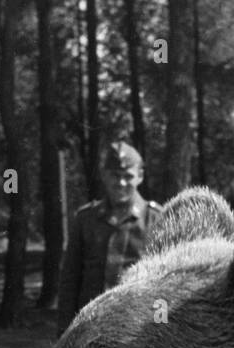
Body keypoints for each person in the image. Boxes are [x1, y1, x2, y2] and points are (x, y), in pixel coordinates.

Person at [56, 141, 163, 336]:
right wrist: (64, 332)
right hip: (90, 330)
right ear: (104, 175)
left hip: (138, 333)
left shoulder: (157, 220)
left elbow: (165, 284)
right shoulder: (85, 219)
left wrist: (161, 333)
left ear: (140, 176)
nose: (121, 183)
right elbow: (70, 280)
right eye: (114, 175)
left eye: (128, 176)